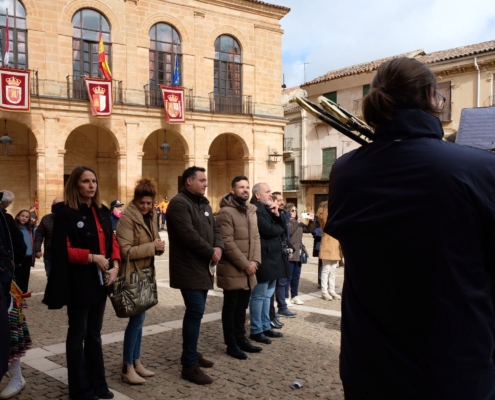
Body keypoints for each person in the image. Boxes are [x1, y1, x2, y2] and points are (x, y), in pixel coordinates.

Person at [326, 57, 495, 400]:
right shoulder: (478, 168)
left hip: (369, 364)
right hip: (455, 367)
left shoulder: (345, 172)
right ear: (432, 96)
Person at [43, 166, 121, 400]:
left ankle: (98, 383)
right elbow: (61, 250)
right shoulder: (66, 214)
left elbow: (112, 241)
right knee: (78, 333)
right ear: (75, 185)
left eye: (94, 181)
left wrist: (115, 265)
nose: (91, 185)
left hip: (101, 281)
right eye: (86, 181)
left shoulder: (102, 210)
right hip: (78, 281)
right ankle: (80, 389)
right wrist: (91, 257)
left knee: (95, 333)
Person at [166, 166, 223, 385]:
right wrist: (211, 251)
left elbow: (216, 229)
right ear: (188, 181)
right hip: (188, 266)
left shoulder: (204, 203)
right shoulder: (179, 203)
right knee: (195, 311)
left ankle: (191, 352)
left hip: (203, 265)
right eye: (201, 180)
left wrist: (219, 247)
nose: (206, 183)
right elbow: (188, 235)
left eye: (206, 180)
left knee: (197, 313)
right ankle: (189, 365)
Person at [116, 178, 164, 384]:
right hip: (132, 274)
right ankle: (127, 366)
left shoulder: (150, 217)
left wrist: (158, 247)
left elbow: (151, 244)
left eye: (149, 203)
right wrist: (153, 247)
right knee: (135, 322)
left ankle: (136, 361)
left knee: (140, 320)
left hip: (145, 273)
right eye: (142, 202)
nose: (145, 206)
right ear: (135, 200)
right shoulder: (127, 219)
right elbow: (125, 251)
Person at [216, 176, 262, 360]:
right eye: (241, 187)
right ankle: (231, 343)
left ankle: (241, 338)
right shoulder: (226, 212)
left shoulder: (252, 210)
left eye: (247, 187)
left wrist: (255, 262)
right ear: (232, 189)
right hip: (234, 268)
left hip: (249, 267)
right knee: (231, 307)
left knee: (243, 306)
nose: (245, 190)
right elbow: (227, 242)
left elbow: (256, 238)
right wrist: (246, 265)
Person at [248, 183, 288, 344]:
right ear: (257, 195)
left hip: (273, 258)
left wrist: (277, 214)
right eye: (267, 191)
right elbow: (269, 230)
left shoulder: (268, 209)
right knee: (259, 295)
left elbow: (282, 227)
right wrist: (278, 225)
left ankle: (265, 325)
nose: (270, 194)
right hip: (264, 257)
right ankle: (256, 329)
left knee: (268, 294)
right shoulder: (255, 209)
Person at [0, 192, 29, 398]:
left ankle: (16, 376)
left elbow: (18, 246)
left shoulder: (4, 218)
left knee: (10, 330)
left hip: (3, 286)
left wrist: (9, 267)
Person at [284, 203, 311, 306]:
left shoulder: (298, 223)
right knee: (288, 277)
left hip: (299, 253)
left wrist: (312, 220)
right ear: (287, 212)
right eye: (292, 211)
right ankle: (286, 297)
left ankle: (295, 296)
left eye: (295, 210)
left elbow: (309, 229)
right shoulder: (286, 223)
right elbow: (289, 232)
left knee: (296, 276)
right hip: (291, 252)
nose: (294, 213)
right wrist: (297, 223)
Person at [317, 201, 342, 301]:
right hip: (327, 244)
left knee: (333, 270)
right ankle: (324, 291)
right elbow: (323, 219)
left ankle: (331, 290)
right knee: (326, 269)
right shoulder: (324, 216)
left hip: (336, 244)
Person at [34, 197, 64, 277]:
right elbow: (39, 235)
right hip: (49, 254)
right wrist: (37, 250)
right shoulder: (46, 218)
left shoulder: (69, 217)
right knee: (51, 276)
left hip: (66, 255)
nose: (57, 206)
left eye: (60, 204)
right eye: (55, 203)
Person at [13, 210, 35, 294]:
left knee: (25, 278)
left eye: (26, 217)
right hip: (18, 257)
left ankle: (23, 296)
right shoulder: (14, 228)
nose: (24, 218)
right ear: (18, 216)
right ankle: (16, 297)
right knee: (17, 278)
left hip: (28, 257)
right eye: (22, 216)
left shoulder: (30, 229)